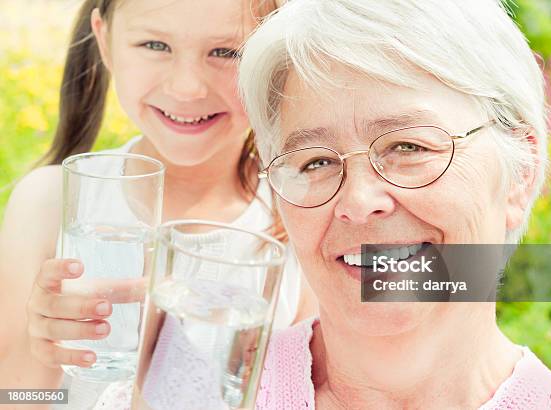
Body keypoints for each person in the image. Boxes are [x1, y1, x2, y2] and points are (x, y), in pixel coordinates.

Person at [236, 0, 551, 408]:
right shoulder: (215, 389)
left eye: (408, 146)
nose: (359, 202)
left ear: (520, 173)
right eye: (316, 162)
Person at [0, 0, 315, 408]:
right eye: (154, 45)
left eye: (226, 52)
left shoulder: (309, 214)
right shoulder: (48, 204)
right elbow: (14, 396)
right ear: (105, 41)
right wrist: (39, 351)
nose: (187, 87)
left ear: (276, 59)